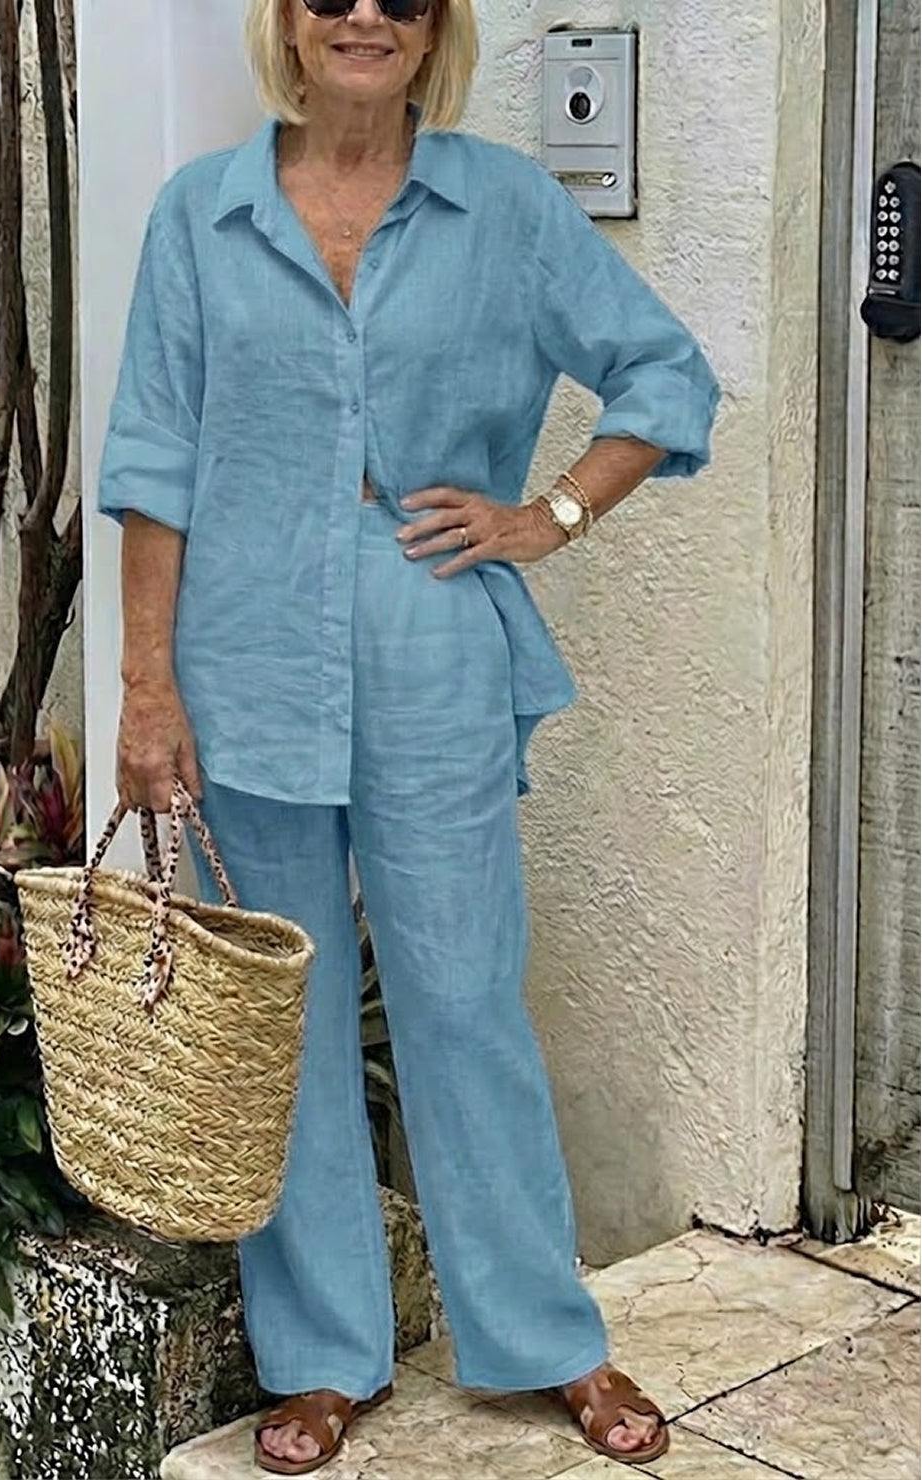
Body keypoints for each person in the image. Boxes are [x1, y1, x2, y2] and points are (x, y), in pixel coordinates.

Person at [98, 0, 720, 1471]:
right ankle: (323, 1358)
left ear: (434, 27)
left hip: (435, 648)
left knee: (461, 999)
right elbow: (150, 457)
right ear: (289, 26)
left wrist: (545, 515)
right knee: (289, 1025)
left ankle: (541, 1339)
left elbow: (663, 378)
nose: (363, 13)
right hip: (239, 664)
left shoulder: (501, 205)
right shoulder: (203, 213)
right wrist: (142, 689)